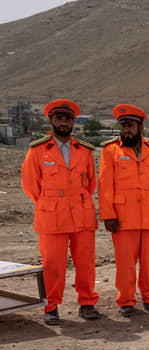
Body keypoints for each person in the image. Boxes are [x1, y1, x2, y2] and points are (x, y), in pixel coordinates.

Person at [21, 99, 100, 324]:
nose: (63, 123)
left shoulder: (84, 151)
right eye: (59, 118)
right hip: (51, 214)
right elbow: (30, 185)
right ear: (51, 121)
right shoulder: (38, 150)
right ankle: (51, 306)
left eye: (68, 119)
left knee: (85, 261)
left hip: (81, 212)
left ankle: (87, 303)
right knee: (52, 264)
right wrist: (50, 202)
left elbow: (91, 183)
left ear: (73, 122)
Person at [98, 104, 149, 317]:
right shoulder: (110, 151)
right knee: (126, 263)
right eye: (123, 126)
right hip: (123, 217)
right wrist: (108, 215)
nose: (126, 130)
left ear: (141, 127)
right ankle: (126, 301)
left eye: (130, 126)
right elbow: (104, 186)